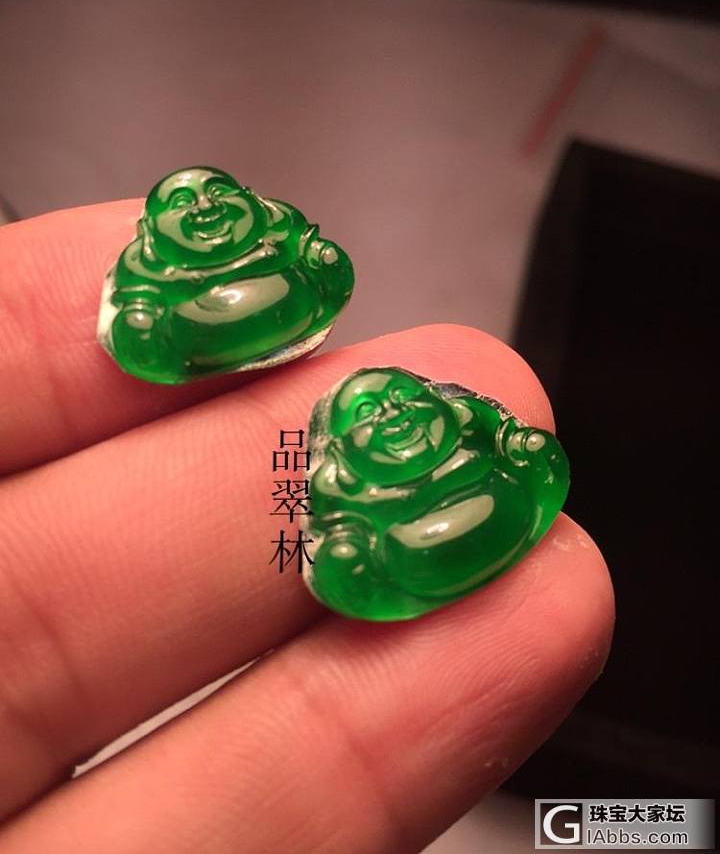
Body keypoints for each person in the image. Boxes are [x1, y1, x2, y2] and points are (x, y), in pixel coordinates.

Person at [0, 197, 614, 853]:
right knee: (352, 563)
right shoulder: (343, 482)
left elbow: (491, 422)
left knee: (532, 459)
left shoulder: (463, 431)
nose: (392, 417)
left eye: (399, 401)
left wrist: (509, 445)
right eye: (369, 419)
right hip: (405, 542)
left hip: (493, 495)